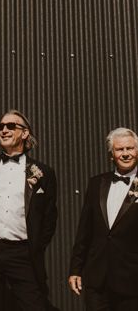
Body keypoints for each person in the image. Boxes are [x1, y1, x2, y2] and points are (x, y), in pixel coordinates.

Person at [0, 109, 57, 310]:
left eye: (10, 126)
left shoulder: (44, 173)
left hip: (23, 253)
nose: (4, 130)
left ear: (25, 133)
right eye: (0, 127)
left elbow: (49, 218)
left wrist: (34, 246)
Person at [69, 127, 138, 309]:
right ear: (111, 154)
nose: (125, 154)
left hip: (132, 281)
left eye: (129, 148)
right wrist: (75, 269)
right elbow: (85, 229)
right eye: (119, 149)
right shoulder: (96, 183)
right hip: (97, 280)